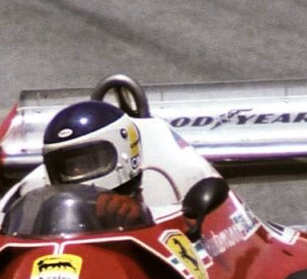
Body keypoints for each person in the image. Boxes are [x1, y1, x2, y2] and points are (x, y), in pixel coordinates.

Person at [13, 99, 223, 230]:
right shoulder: (36, 193)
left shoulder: (177, 180)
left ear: (123, 151)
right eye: (67, 167)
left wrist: (142, 219)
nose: (76, 172)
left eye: (87, 163)